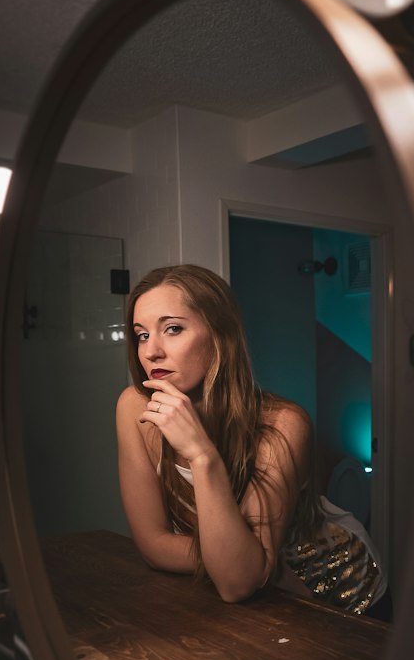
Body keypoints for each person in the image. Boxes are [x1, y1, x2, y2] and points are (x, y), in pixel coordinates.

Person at [115, 264, 390, 617]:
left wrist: (202, 456)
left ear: (219, 335)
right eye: (141, 335)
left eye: (172, 329)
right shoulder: (133, 408)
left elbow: (238, 582)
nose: (152, 351)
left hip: (341, 590)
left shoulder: (283, 423)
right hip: (269, 595)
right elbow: (154, 546)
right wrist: (241, 564)